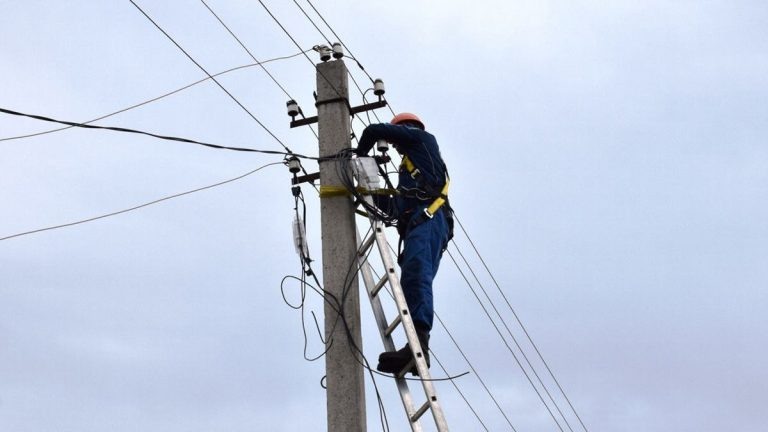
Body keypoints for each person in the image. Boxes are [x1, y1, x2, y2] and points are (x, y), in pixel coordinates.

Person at [354, 112, 452, 375]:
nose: (395, 147)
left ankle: (419, 344)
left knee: (417, 273)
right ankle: (414, 345)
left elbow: (374, 130)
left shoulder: (422, 140)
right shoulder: (410, 170)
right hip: (419, 223)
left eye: (396, 138)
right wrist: (367, 195)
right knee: (411, 278)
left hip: (430, 218)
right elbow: (397, 207)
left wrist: (360, 155)